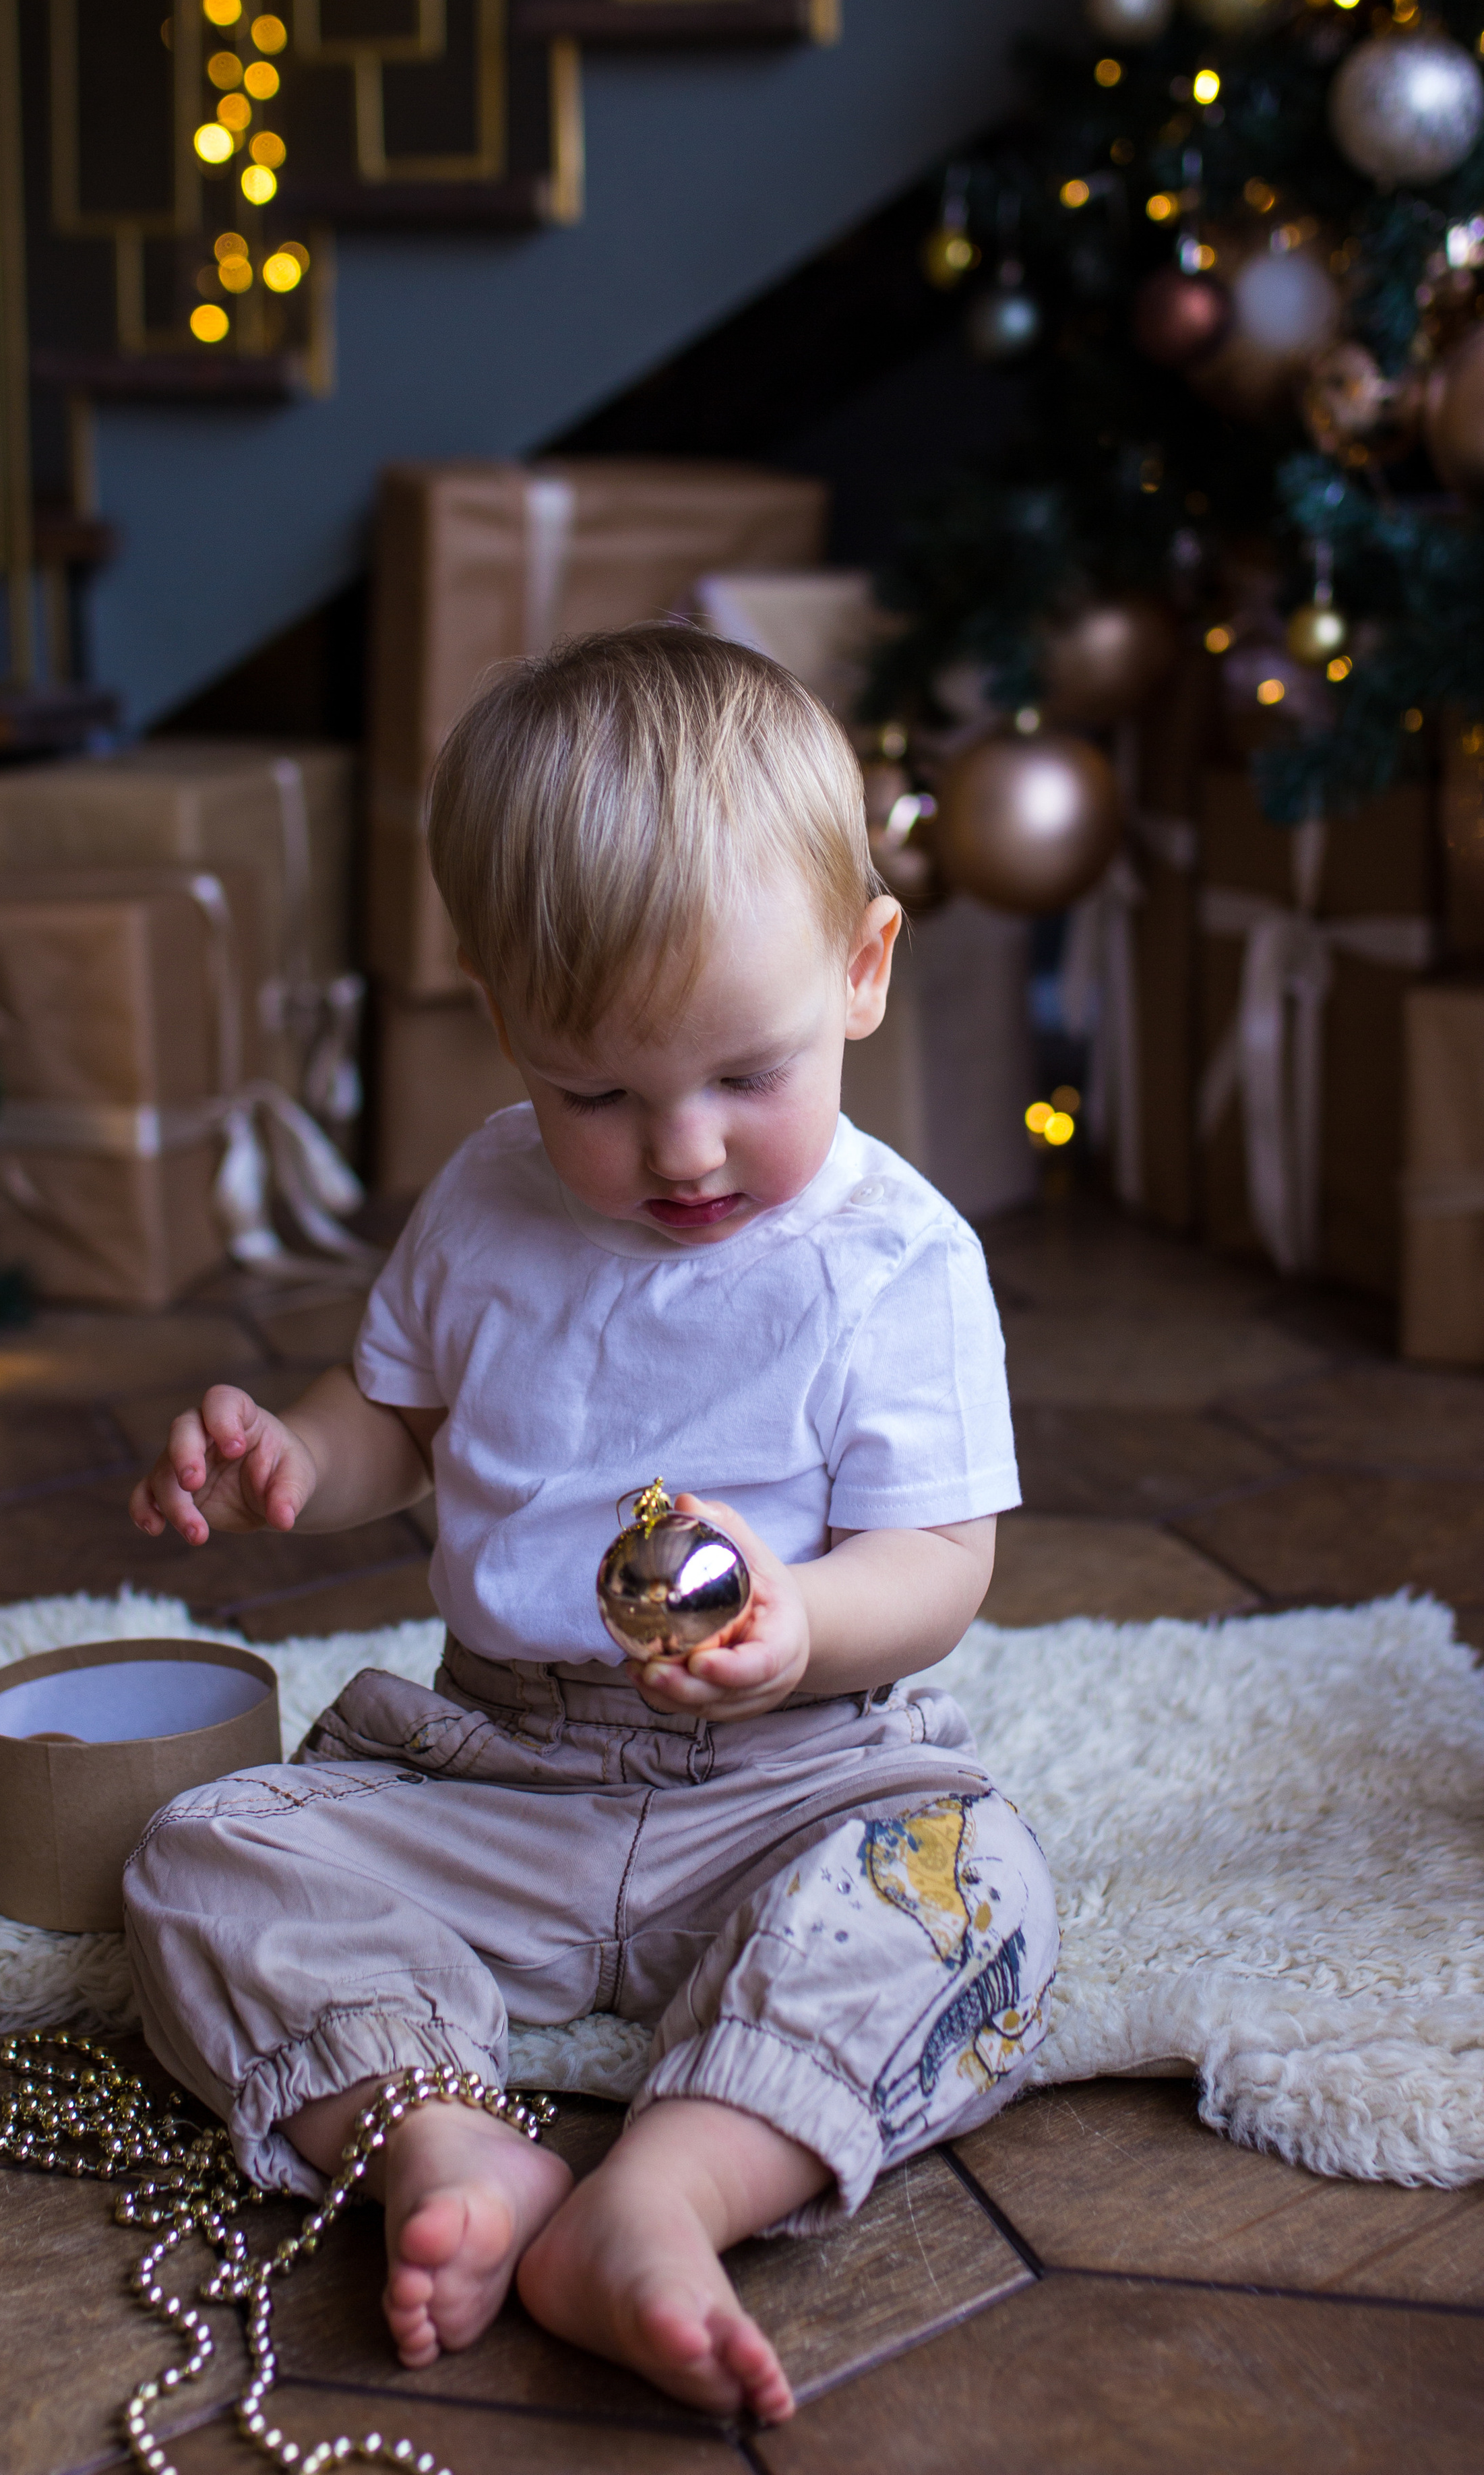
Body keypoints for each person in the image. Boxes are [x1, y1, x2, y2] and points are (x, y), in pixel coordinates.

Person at [125, 625, 1059, 2426]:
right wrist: (294, 1458)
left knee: (972, 1890)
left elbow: (943, 1568)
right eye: (600, 1095)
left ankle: (672, 2188)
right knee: (201, 1853)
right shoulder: (487, 1199)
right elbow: (402, 1422)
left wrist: (801, 1622)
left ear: (862, 971)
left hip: (793, 1771)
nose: (682, 1149)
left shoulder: (896, 1263)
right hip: (499, 1771)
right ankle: (447, 2141)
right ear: (508, 1031)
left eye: (744, 1076)